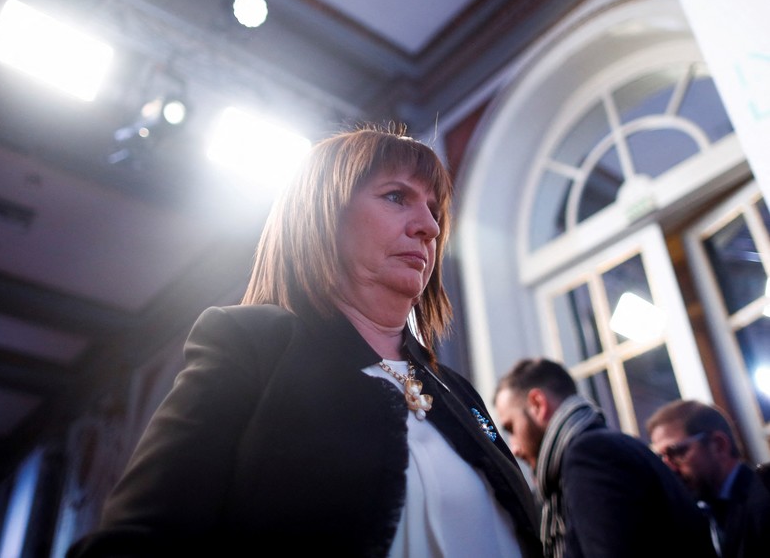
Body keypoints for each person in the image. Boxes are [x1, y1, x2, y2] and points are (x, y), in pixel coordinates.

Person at [67, 126, 543, 557]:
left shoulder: (459, 391)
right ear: (321, 217)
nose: (430, 227)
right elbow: (138, 540)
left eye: (434, 211)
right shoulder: (252, 344)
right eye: (397, 197)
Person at [493, 357, 717, 558]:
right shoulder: (607, 448)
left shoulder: (590, 454)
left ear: (537, 404)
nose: (514, 448)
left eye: (511, 428)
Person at [646, 399, 770, 558]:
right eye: (661, 458)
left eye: (676, 452)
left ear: (719, 444)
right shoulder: (695, 515)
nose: (669, 468)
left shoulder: (765, 495)